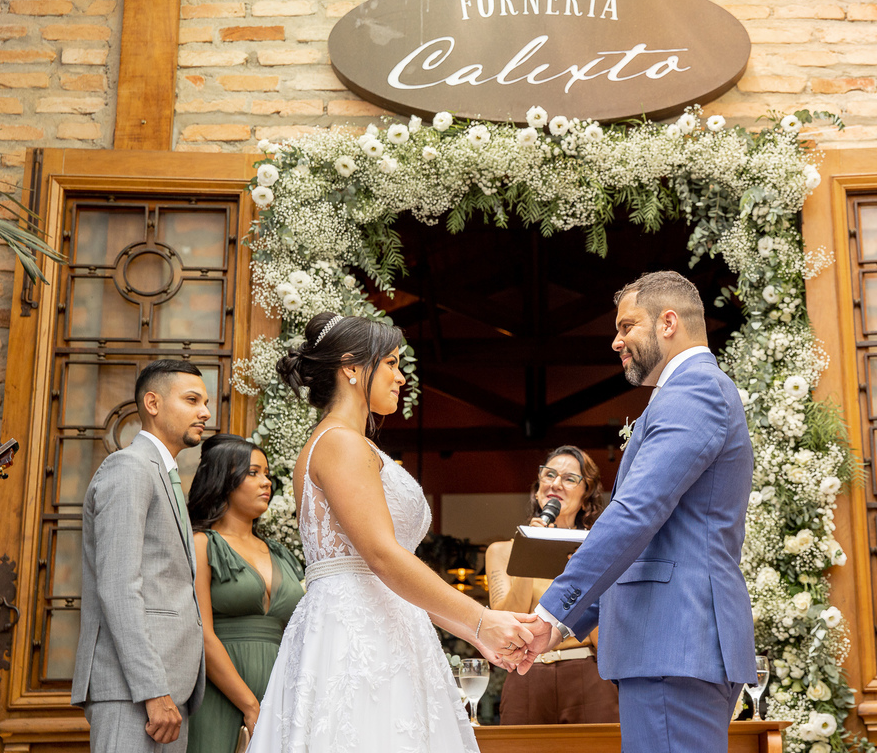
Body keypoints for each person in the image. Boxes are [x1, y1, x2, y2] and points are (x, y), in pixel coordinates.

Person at [248, 312, 541, 753]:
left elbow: (393, 572)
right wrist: (481, 618)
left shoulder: (342, 442)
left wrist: (477, 634)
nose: (401, 378)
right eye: (390, 363)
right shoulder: (340, 443)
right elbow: (383, 557)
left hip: (385, 622)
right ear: (351, 367)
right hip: (358, 637)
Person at [523, 271, 756, 753]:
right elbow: (646, 534)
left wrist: (551, 611)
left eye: (626, 326)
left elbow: (635, 514)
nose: (616, 341)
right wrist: (563, 626)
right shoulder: (687, 393)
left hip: (674, 641)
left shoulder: (694, 390)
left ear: (668, 322)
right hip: (671, 643)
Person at [72, 360, 210, 752]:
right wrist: (152, 690)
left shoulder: (161, 474)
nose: (205, 412)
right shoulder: (129, 469)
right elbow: (118, 586)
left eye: (205, 401)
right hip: (135, 692)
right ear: (152, 403)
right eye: (192, 399)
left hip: (167, 691)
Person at [185, 434, 305, 753]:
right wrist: (251, 706)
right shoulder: (202, 545)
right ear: (224, 480)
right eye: (253, 473)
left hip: (282, 697)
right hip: (219, 696)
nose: (266, 482)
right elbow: (201, 634)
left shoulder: (282, 554)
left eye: (267, 473)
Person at [485, 446, 619, 725]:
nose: (556, 483)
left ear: (585, 497)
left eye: (570, 478)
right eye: (549, 475)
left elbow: (599, 636)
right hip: (527, 675)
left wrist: (582, 564)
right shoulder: (500, 552)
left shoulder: (598, 551)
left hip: (586, 672)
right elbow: (506, 625)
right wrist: (529, 550)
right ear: (537, 490)